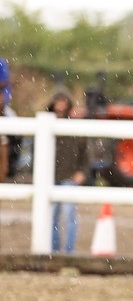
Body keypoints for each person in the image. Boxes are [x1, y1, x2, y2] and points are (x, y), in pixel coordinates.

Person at [47, 89, 89, 254]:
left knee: (68, 217)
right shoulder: (48, 125)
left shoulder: (74, 127)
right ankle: (54, 251)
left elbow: (85, 152)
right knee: (53, 218)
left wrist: (82, 171)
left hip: (68, 178)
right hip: (51, 177)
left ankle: (69, 253)